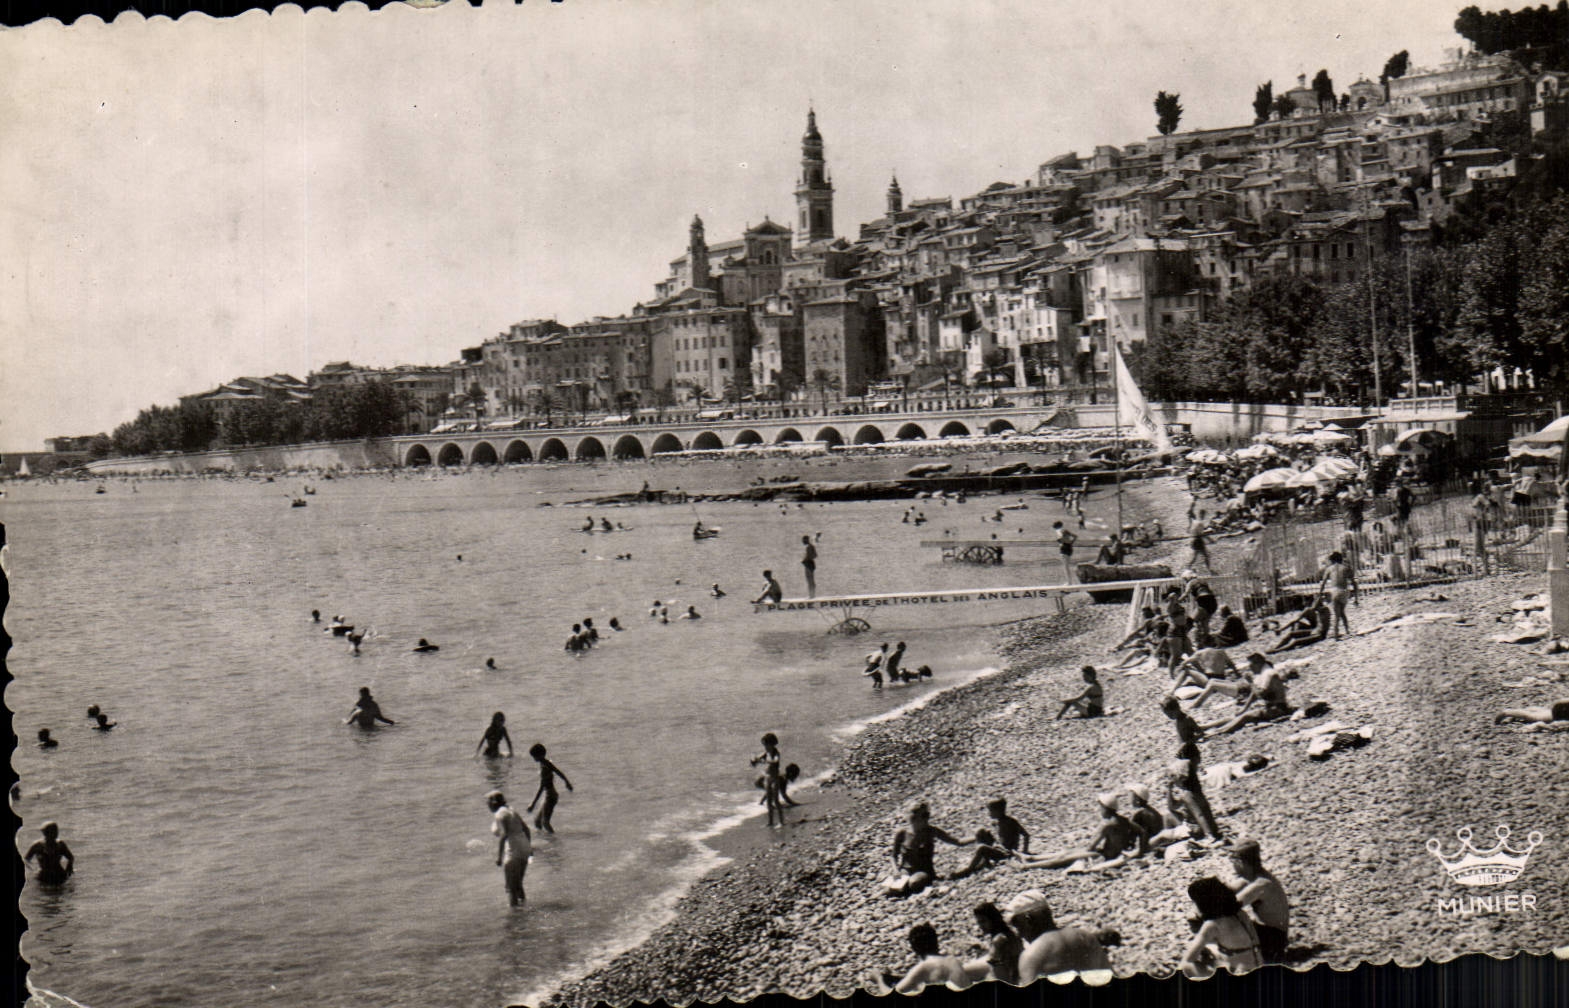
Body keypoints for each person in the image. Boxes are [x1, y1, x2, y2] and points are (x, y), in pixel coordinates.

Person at [1009, 891, 1120, 984]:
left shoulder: (1031, 955)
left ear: (1028, 920)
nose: (1019, 934)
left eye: (1018, 926)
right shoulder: (1085, 937)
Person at [1019, 793, 1148, 870]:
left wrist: (1078, 851)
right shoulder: (1125, 820)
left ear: (1105, 808)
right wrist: (1140, 851)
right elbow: (1142, 832)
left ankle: (1028, 866)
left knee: (1065, 857)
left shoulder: (1107, 824)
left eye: (1100, 807)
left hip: (1105, 856)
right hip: (1116, 853)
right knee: (1068, 852)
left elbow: (1091, 847)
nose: (1099, 810)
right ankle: (1032, 858)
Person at [1179, 875, 1263, 978]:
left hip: (1239, 973)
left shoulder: (1212, 925)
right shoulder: (1240, 913)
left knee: (1187, 966)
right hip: (1257, 965)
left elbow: (1188, 959)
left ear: (1203, 904)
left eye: (1194, 902)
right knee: (1210, 948)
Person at [1227, 839, 1290, 962]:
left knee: (1226, 919)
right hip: (1269, 932)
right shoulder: (1255, 876)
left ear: (1240, 862)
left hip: (1273, 938)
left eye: (1232, 860)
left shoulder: (1261, 884)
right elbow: (1226, 890)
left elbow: (1228, 907)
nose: (1232, 864)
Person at [886, 802, 967, 896]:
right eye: (924, 815)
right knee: (890, 890)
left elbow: (957, 842)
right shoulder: (902, 833)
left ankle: (909, 888)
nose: (927, 818)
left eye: (927, 815)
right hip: (905, 870)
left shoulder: (931, 831)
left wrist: (977, 837)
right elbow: (893, 856)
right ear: (913, 818)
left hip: (924, 870)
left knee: (913, 883)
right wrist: (896, 870)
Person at [891, 923, 974, 994]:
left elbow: (899, 991)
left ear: (915, 948)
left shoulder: (922, 968)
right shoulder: (953, 960)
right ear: (936, 942)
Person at [486, 791, 532, 908]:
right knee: (518, 885)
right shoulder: (512, 810)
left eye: (488, 803)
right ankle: (525, 908)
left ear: (494, 803)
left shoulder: (499, 814)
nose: (487, 805)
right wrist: (529, 847)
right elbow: (527, 829)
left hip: (513, 851)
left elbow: (504, 834)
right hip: (524, 848)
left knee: (511, 888)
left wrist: (499, 857)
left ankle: (515, 915)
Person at [963, 902, 1024, 985]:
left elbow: (1002, 973)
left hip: (1009, 977)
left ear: (993, 919)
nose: (980, 926)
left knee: (962, 973)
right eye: (979, 922)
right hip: (1013, 972)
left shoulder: (999, 940)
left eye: (983, 921)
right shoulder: (1008, 933)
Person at [527, 743, 574, 832]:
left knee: (545, 823)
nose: (533, 759)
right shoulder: (545, 764)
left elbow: (542, 787)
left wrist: (533, 804)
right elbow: (558, 772)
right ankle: (546, 839)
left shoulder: (545, 766)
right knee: (537, 822)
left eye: (534, 756)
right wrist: (567, 782)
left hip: (550, 796)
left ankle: (555, 839)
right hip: (549, 795)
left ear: (539, 755)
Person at [1317, 551, 1358, 639]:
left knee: (1336, 614)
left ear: (1332, 560)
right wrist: (1356, 599)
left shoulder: (1329, 569)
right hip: (1344, 592)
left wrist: (1319, 594)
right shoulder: (1346, 568)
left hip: (1334, 591)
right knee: (1342, 611)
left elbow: (1323, 583)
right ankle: (1347, 630)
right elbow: (1354, 583)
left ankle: (1336, 635)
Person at [750, 733, 788, 827]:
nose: (765, 747)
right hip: (768, 778)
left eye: (766, 745)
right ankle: (770, 822)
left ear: (772, 744)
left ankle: (781, 822)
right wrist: (754, 760)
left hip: (775, 778)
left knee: (776, 800)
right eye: (764, 745)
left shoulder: (776, 753)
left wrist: (764, 761)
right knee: (769, 802)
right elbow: (757, 759)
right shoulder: (765, 753)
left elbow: (775, 761)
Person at [1495, 699, 1569, 725]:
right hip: (1553, 716)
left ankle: (1514, 714)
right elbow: (1559, 703)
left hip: (1554, 713)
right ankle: (1507, 713)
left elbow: (1559, 703)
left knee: (1538, 711)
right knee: (1531, 716)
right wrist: (1556, 714)